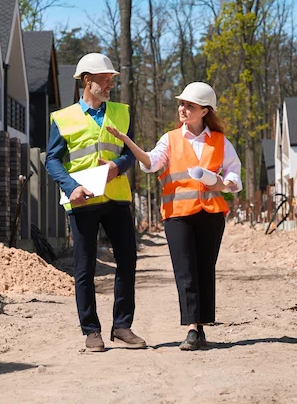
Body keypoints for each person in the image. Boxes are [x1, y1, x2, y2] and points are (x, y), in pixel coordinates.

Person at [107, 81, 241, 350]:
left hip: (211, 214)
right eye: (181, 104)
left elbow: (234, 174)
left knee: (205, 270)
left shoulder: (220, 141)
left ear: (204, 111)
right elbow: (151, 162)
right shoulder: (169, 139)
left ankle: (201, 327)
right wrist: (128, 143)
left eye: (189, 105)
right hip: (177, 214)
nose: (182, 108)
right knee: (185, 271)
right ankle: (191, 328)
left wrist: (224, 184)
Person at [45, 52, 147, 352]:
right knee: (84, 267)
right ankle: (91, 330)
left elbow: (130, 151)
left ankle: (123, 327)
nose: (110, 85)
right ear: (87, 81)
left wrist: (119, 166)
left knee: (127, 260)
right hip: (82, 200)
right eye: (105, 80)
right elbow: (53, 160)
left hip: (116, 197)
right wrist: (70, 186)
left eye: (111, 80)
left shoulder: (122, 112)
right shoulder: (62, 118)